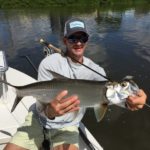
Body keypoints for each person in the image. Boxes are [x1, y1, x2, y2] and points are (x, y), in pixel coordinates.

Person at [4, 18, 147, 150]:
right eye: (73, 38)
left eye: (82, 38)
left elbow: (114, 98)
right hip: (38, 119)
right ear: (64, 40)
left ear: (87, 40)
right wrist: (50, 112)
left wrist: (131, 102)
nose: (78, 42)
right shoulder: (49, 63)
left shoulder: (97, 72)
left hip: (68, 127)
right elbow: (42, 107)